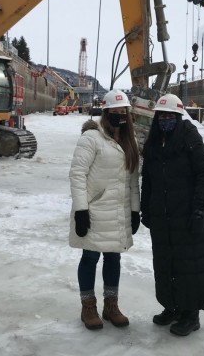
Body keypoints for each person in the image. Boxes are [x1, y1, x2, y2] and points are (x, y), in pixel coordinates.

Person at [140, 93, 204, 336]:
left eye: (171, 116)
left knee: (190, 266)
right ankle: (172, 307)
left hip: (187, 216)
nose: (166, 120)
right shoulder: (154, 141)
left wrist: (199, 208)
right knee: (166, 264)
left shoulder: (189, 137)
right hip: (162, 218)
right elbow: (149, 180)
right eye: (162, 116)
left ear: (178, 116)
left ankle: (190, 314)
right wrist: (146, 209)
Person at [68, 89, 141, 330]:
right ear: (106, 112)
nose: (120, 115)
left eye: (124, 112)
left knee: (113, 256)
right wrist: (81, 210)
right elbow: (77, 173)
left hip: (118, 212)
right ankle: (88, 306)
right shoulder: (91, 138)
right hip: (94, 209)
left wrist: (134, 210)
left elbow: (132, 181)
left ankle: (111, 305)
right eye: (115, 111)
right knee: (90, 256)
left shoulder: (130, 141)